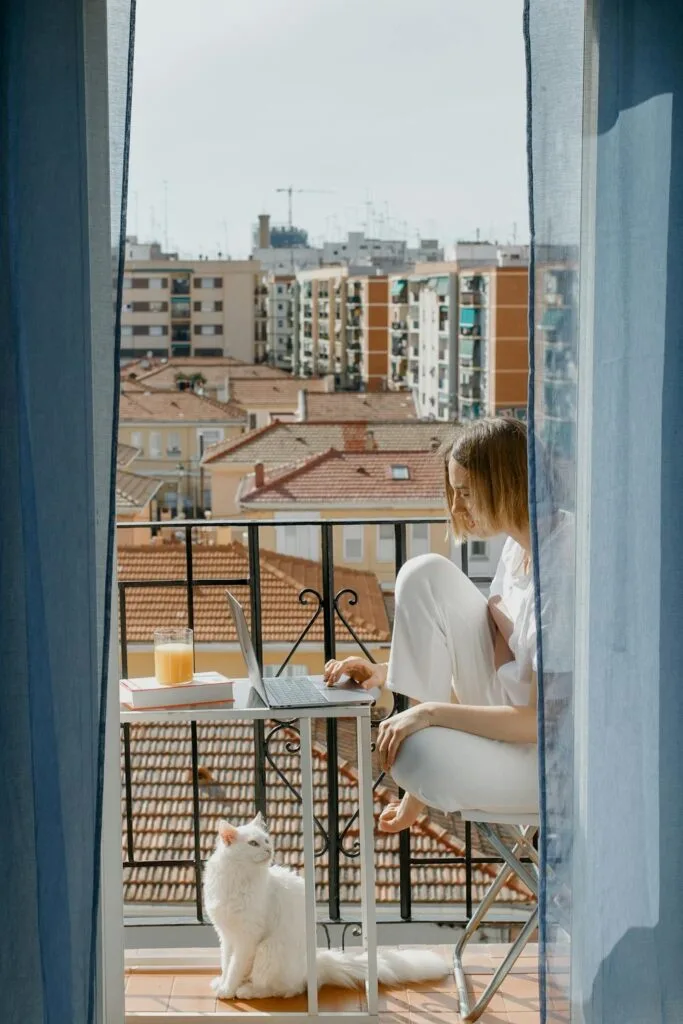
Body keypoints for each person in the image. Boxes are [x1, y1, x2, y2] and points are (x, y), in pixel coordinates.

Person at [324, 417, 555, 833]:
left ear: (507, 482)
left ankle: (417, 790)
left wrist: (428, 713)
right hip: (502, 721)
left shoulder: (561, 567)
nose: (456, 508)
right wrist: (387, 675)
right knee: (423, 573)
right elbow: (480, 668)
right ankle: (417, 792)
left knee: (412, 754)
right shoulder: (516, 553)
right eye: (454, 492)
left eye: (466, 493)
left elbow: (535, 721)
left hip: (542, 756)